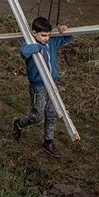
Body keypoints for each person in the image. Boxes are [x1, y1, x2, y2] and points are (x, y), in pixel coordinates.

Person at [11, 16, 73, 158]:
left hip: (51, 84)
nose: (46, 38)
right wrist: (39, 47)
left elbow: (67, 39)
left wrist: (64, 31)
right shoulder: (30, 45)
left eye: (48, 35)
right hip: (38, 87)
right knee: (37, 116)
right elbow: (24, 51)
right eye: (43, 35)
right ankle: (19, 123)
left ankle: (48, 142)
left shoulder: (51, 42)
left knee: (52, 113)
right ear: (34, 33)